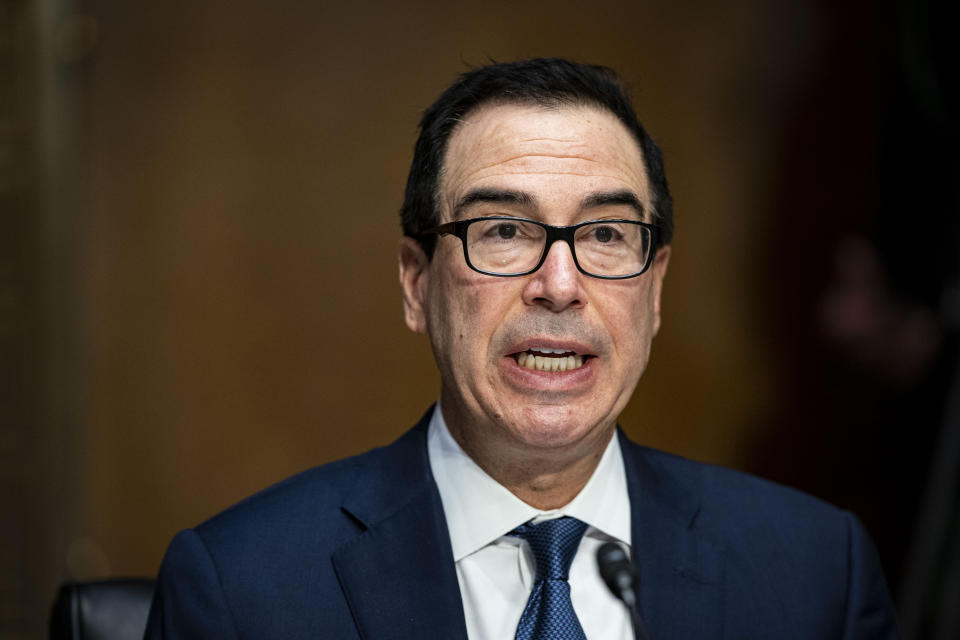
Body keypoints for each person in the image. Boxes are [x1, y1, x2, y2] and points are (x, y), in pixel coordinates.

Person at [145, 58, 900, 639]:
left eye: (606, 234)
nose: (559, 285)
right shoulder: (243, 589)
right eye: (504, 230)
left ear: (657, 289)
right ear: (417, 284)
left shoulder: (813, 572)